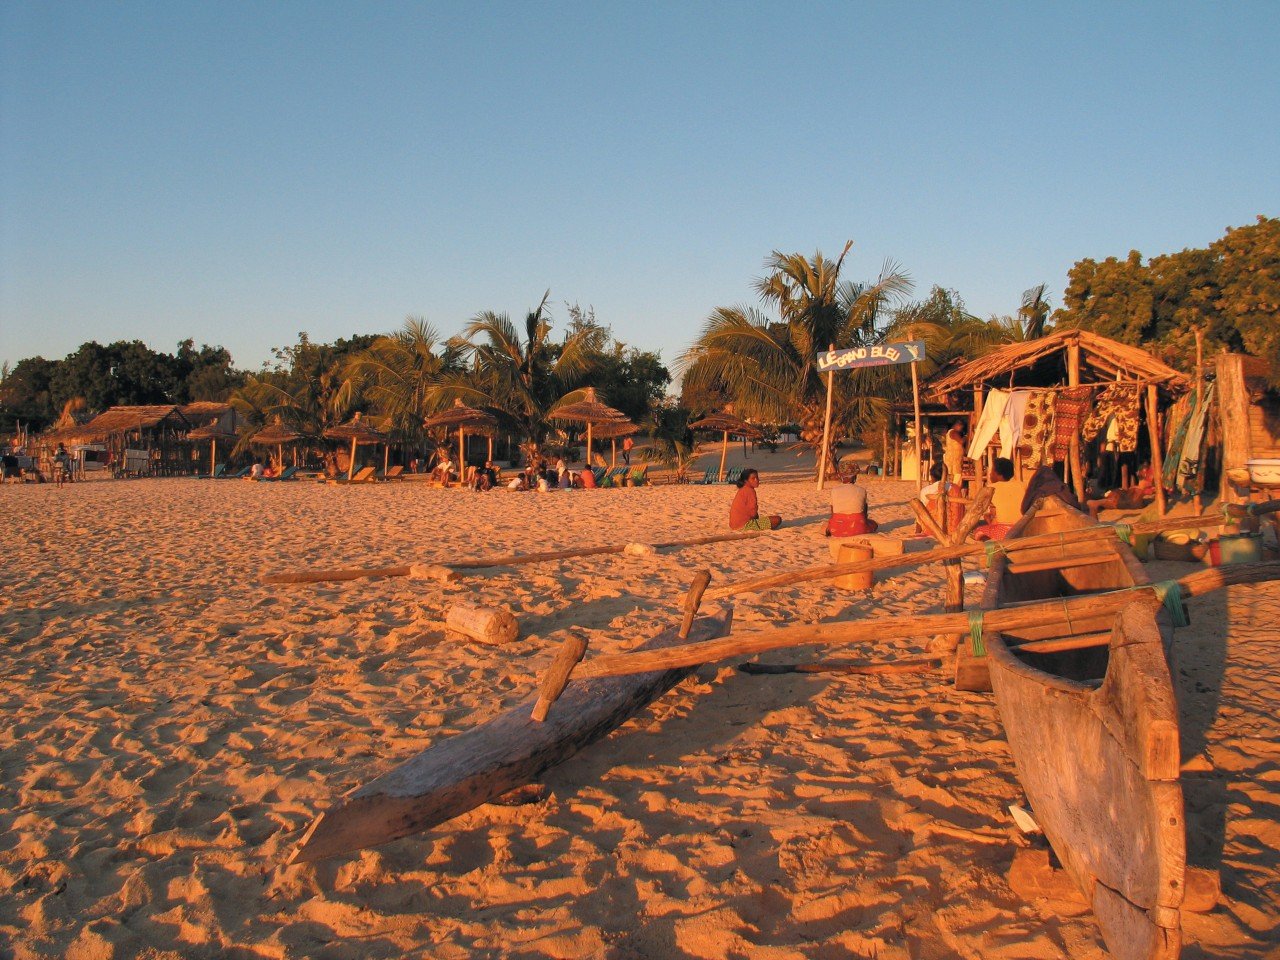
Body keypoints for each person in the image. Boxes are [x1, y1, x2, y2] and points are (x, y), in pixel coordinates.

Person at [974, 457, 1027, 541]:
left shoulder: (991, 488)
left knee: (978, 531)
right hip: (1023, 527)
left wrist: (988, 518)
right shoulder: (1022, 485)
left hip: (1005, 530)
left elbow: (978, 510)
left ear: (998, 474)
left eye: (991, 471)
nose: (990, 474)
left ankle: (991, 548)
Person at [826, 465, 878, 537]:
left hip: (837, 529)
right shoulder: (862, 490)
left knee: (827, 524)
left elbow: (832, 513)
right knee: (874, 524)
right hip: (859, 528)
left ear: (841, 477)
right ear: (855, 477)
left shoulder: (834, 490)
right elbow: (865, 513)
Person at [944, 421, 966, 485]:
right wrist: (967, 436)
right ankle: (952, 491)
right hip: (953, 460)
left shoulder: (952, 432)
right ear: (957, 425)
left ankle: (949, 491)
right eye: (961, 427)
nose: (961, 429)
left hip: (954, 460)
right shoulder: (953, 432)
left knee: (951, 477)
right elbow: (961, 441)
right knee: (955, 477)